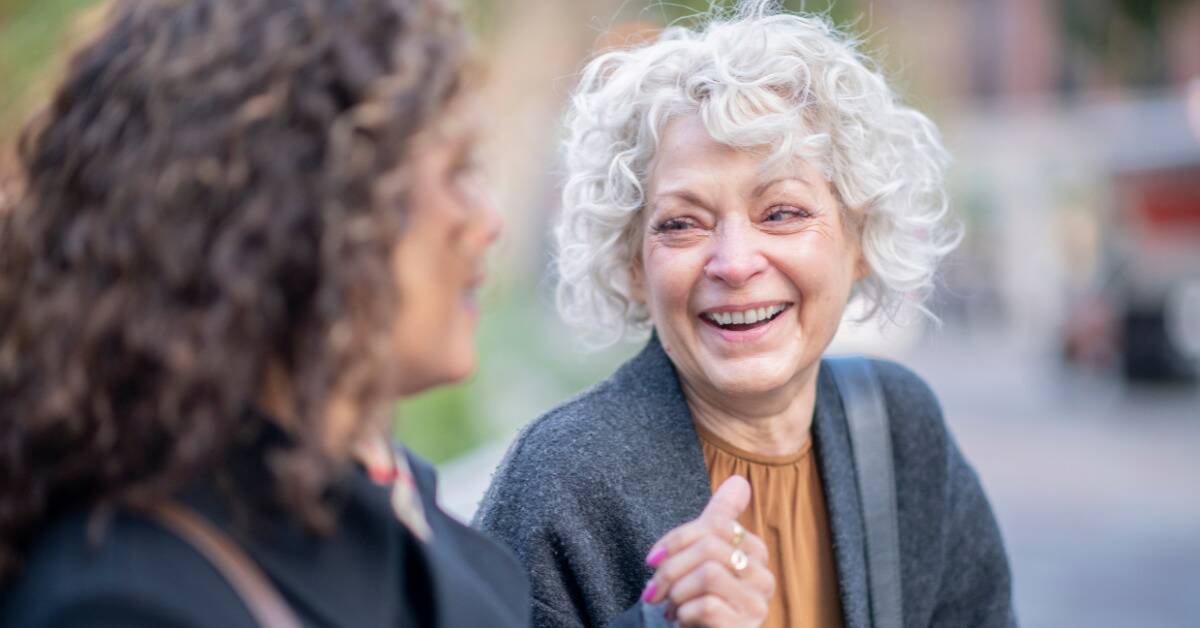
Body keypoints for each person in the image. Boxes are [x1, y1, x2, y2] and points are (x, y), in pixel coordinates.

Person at [475, 2, 1016, 627]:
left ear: (859, 236)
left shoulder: (900, 431)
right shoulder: (562, 480)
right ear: (632, 266)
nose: (734, 263)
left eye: (781, 212)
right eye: (682, 224)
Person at [0, 0, 526, 625]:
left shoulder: (380, 500)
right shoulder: (125, 599)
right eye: (456, 172)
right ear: (309, 209)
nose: (487, 222)